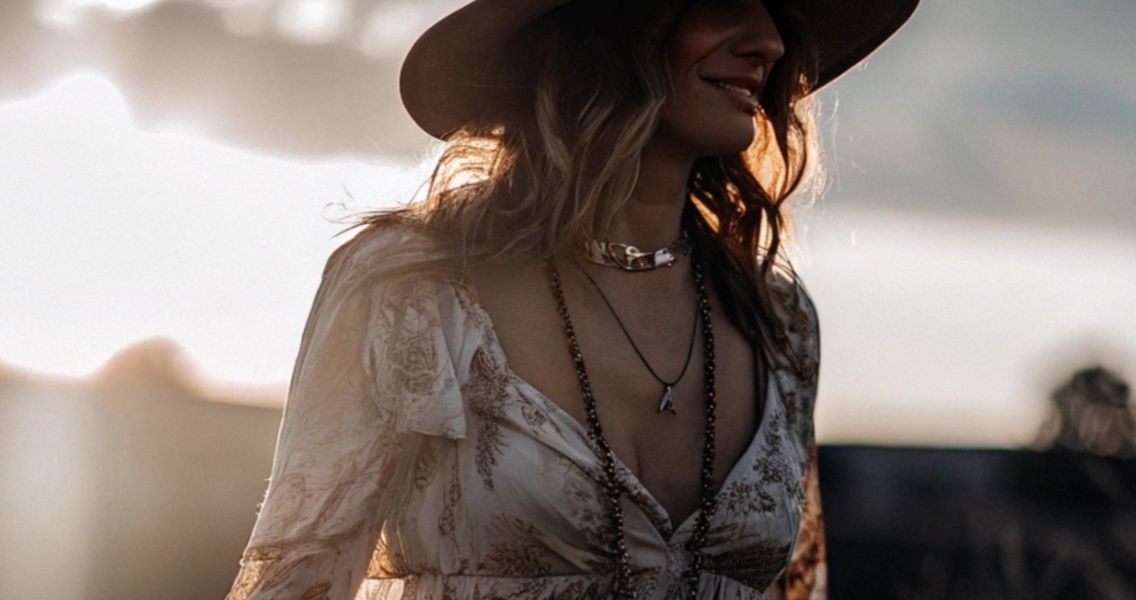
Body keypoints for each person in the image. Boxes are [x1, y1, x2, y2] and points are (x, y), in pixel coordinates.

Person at [225, 0, 915, 598]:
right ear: (614, 22)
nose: (769, 41)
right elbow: (299, 580)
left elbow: (794, 587)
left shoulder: (779, 322)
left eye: (773, 11)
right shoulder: (414, 288)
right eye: (723, 2)